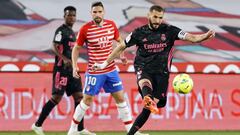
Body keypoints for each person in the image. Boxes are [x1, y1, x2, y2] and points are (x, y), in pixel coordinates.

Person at [93, 5, 215, 135]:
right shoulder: (138, 32)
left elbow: (191, 37)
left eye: (160, 17)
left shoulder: (170, 31)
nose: (157, 20)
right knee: (145, 82)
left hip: (162, 73)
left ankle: (133, 128)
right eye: (155, 17)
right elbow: (121, 46)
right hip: (143, 67)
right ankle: (147, 97)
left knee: (148, 109)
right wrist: (104, 63)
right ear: (149, 16)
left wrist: (204, 36)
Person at [67, 2, 148, 135]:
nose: (97, 14)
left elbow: (120, 42)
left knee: (120, 98)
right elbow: (76, 48)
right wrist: (75, 66)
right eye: (94, 12)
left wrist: (121, 56)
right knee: (86, 100)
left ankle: (131, 131)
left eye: (99, 12)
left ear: (103, 12)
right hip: (95, 71)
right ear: (91, 13)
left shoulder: (111, 25)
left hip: (111, 70)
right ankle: (72, 130)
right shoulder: (85, 29)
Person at [31, 6, 95, 135]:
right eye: (69, 15)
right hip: (62, 69)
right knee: (56, 98)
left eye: (73, 15)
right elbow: (53, 46)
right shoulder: (61, 31)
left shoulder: (72, 32)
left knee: (79, 97)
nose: (71, 17)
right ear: (64, 16)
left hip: (72, 70)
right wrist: (64, 58)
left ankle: (80, 128)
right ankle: (37, 125)